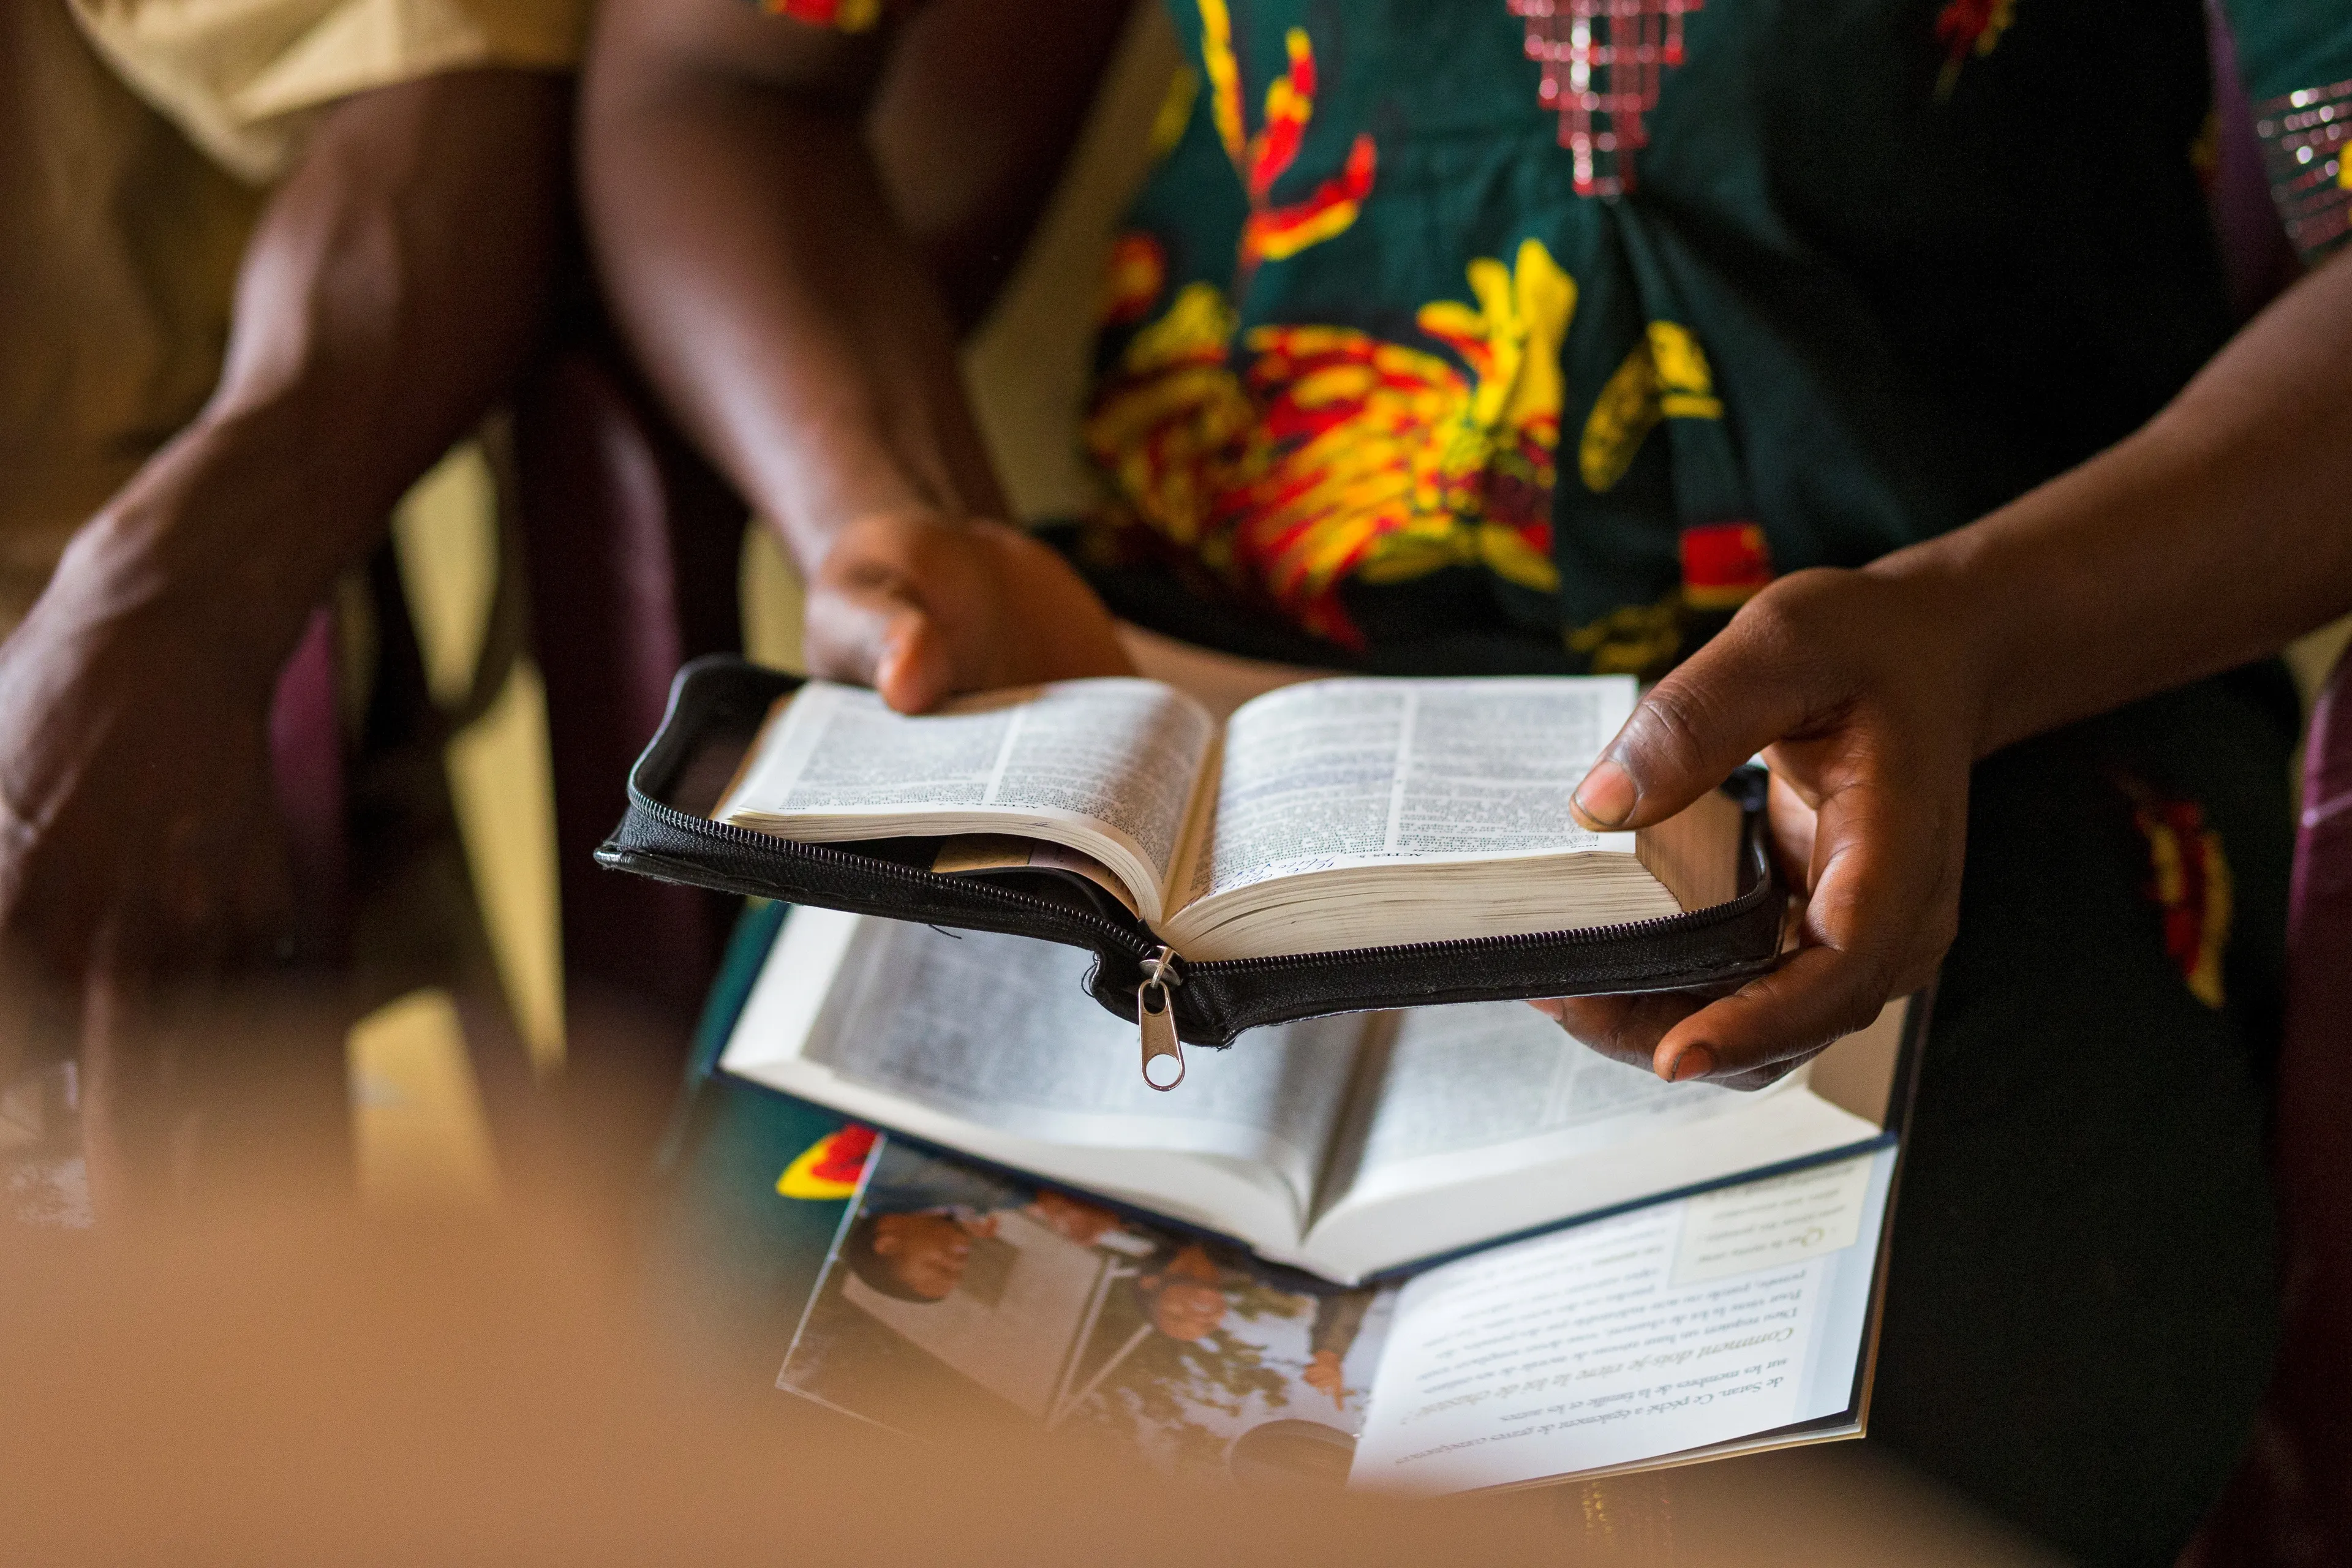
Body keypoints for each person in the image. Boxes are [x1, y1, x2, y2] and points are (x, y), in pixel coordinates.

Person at [578, 0, 2349, 1558]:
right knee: (777, 1450)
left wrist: (1969, 634)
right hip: (1182, 727)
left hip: (1959, 737)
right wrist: (891, 510)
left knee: (1833, 1477)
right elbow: (721, 71)